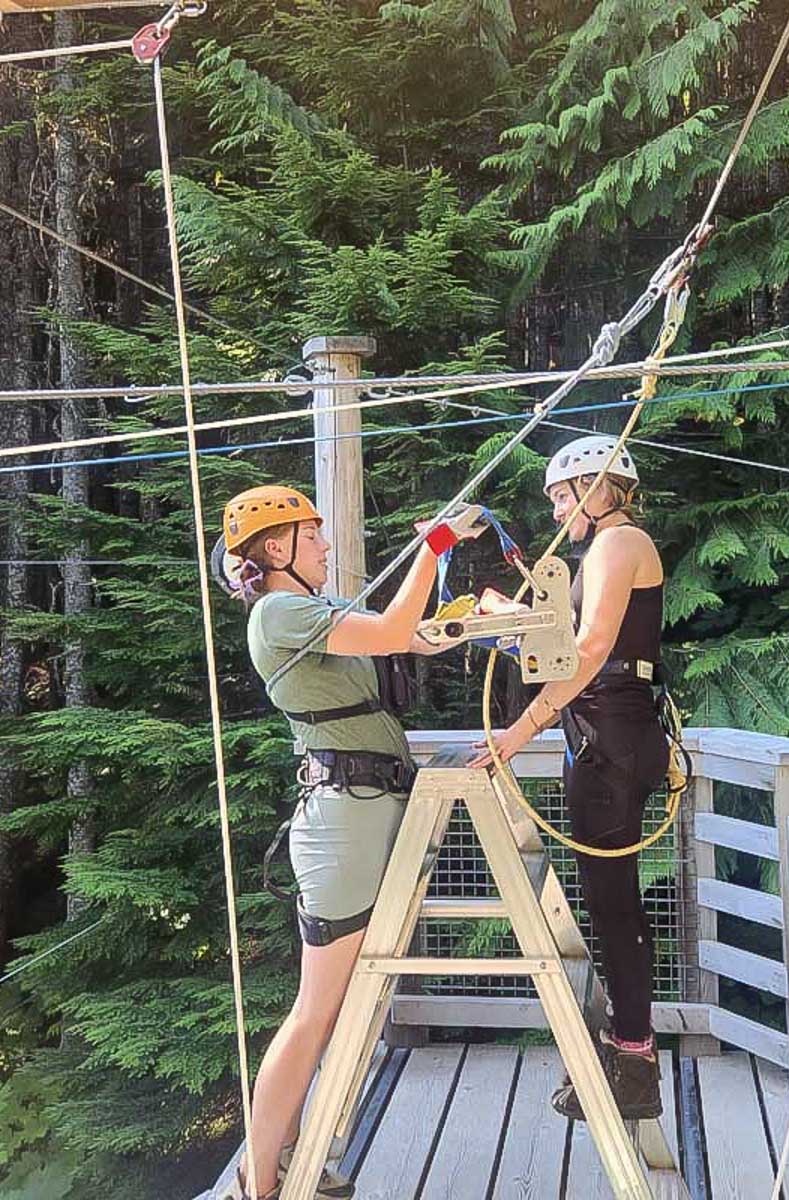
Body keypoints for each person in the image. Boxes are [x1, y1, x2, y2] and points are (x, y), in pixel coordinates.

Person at [220, 485, 488, 1200]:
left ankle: (295, 1149)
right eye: (311, 535)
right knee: (316, 1011)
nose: (325, 545)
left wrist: (467, 615)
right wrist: (432, 548)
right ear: (275, 549)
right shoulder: (281, 612)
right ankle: (260, 1175)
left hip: (368, 810)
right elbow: (398, 627)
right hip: (346, 821)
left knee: (336, 1007)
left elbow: (412, 634)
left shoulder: (313, 612)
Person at [470, 435, 668, 1120]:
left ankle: (634, 1067)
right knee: (607, 901)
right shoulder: (604, 551)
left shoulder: (618, 545)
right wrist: (510, 623)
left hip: (610, 736)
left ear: (600, 486)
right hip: (603, 734)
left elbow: (585, 654)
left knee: (612, 905)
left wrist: (514, 736)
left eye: (562, 496)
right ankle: (625, 1055)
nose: (556, 512)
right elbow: (571, 650)